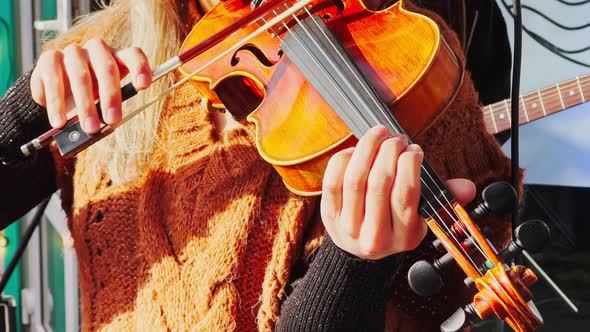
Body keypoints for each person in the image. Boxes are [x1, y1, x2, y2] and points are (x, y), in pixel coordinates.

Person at [0, 0, 515, 331]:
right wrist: (22, 113)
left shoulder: (410, 61)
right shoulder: (108, 58)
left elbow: (427, 308)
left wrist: (352, 266)